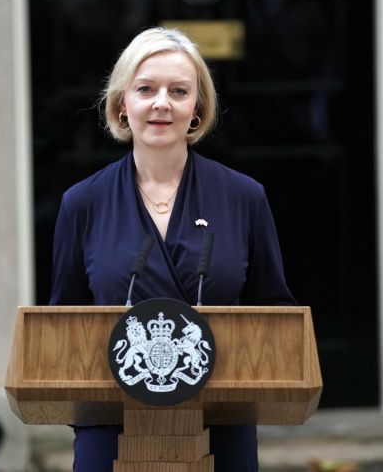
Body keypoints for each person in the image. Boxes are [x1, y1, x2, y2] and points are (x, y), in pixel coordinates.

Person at [49, 26, 295, 472]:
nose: (162, 102)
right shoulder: (82, 203)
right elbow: (66, 327)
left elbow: (274, 312)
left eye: (178, 91)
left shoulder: (244, 197)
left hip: (220, 423)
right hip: (112, 427)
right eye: (146, 89)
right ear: (123, 103)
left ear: (196, 108)